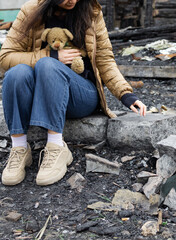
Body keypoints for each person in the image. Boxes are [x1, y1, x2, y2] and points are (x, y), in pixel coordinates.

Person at [0, 0, 146, 186]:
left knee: (48, 66)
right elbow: (5, 57)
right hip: (44, 94)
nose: (71, 0)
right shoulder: (31, 10)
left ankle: (56, 146)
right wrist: (51, 56)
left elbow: (105, 59)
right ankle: (20, 148)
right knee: (16, 73)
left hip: (81, 94)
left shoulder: (91, 12)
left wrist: (126, 94)